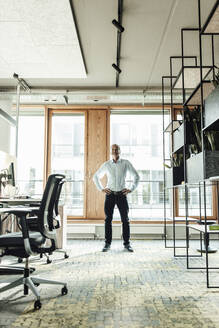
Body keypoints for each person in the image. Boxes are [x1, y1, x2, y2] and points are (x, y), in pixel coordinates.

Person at [93, 144, 139, 252]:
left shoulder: (126, 163)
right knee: (108, 220)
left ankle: (127, 244)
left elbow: (136, 176)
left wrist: (131, 189)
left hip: (122, 195)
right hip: (110, 195)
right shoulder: (106, 165)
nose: (115, 151)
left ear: (120, 151)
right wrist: (102, 189)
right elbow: (95, 177)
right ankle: (107, 243)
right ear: (111, 151)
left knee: (125, 220)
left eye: (117, 149)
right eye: (113, 149)